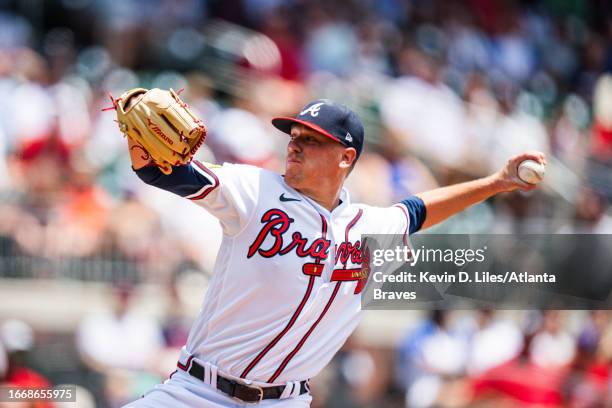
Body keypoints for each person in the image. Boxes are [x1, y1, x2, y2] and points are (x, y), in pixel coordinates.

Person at [123, 99, 545, 407]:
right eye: (294, 135)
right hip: (196, 393)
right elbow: (170, 174)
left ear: (346, 157)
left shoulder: (370, 226)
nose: (295, 144)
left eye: (311, 139)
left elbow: (417, 211)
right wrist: (142, 151)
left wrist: (495, 182)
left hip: (283, 403)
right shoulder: (253, 191)